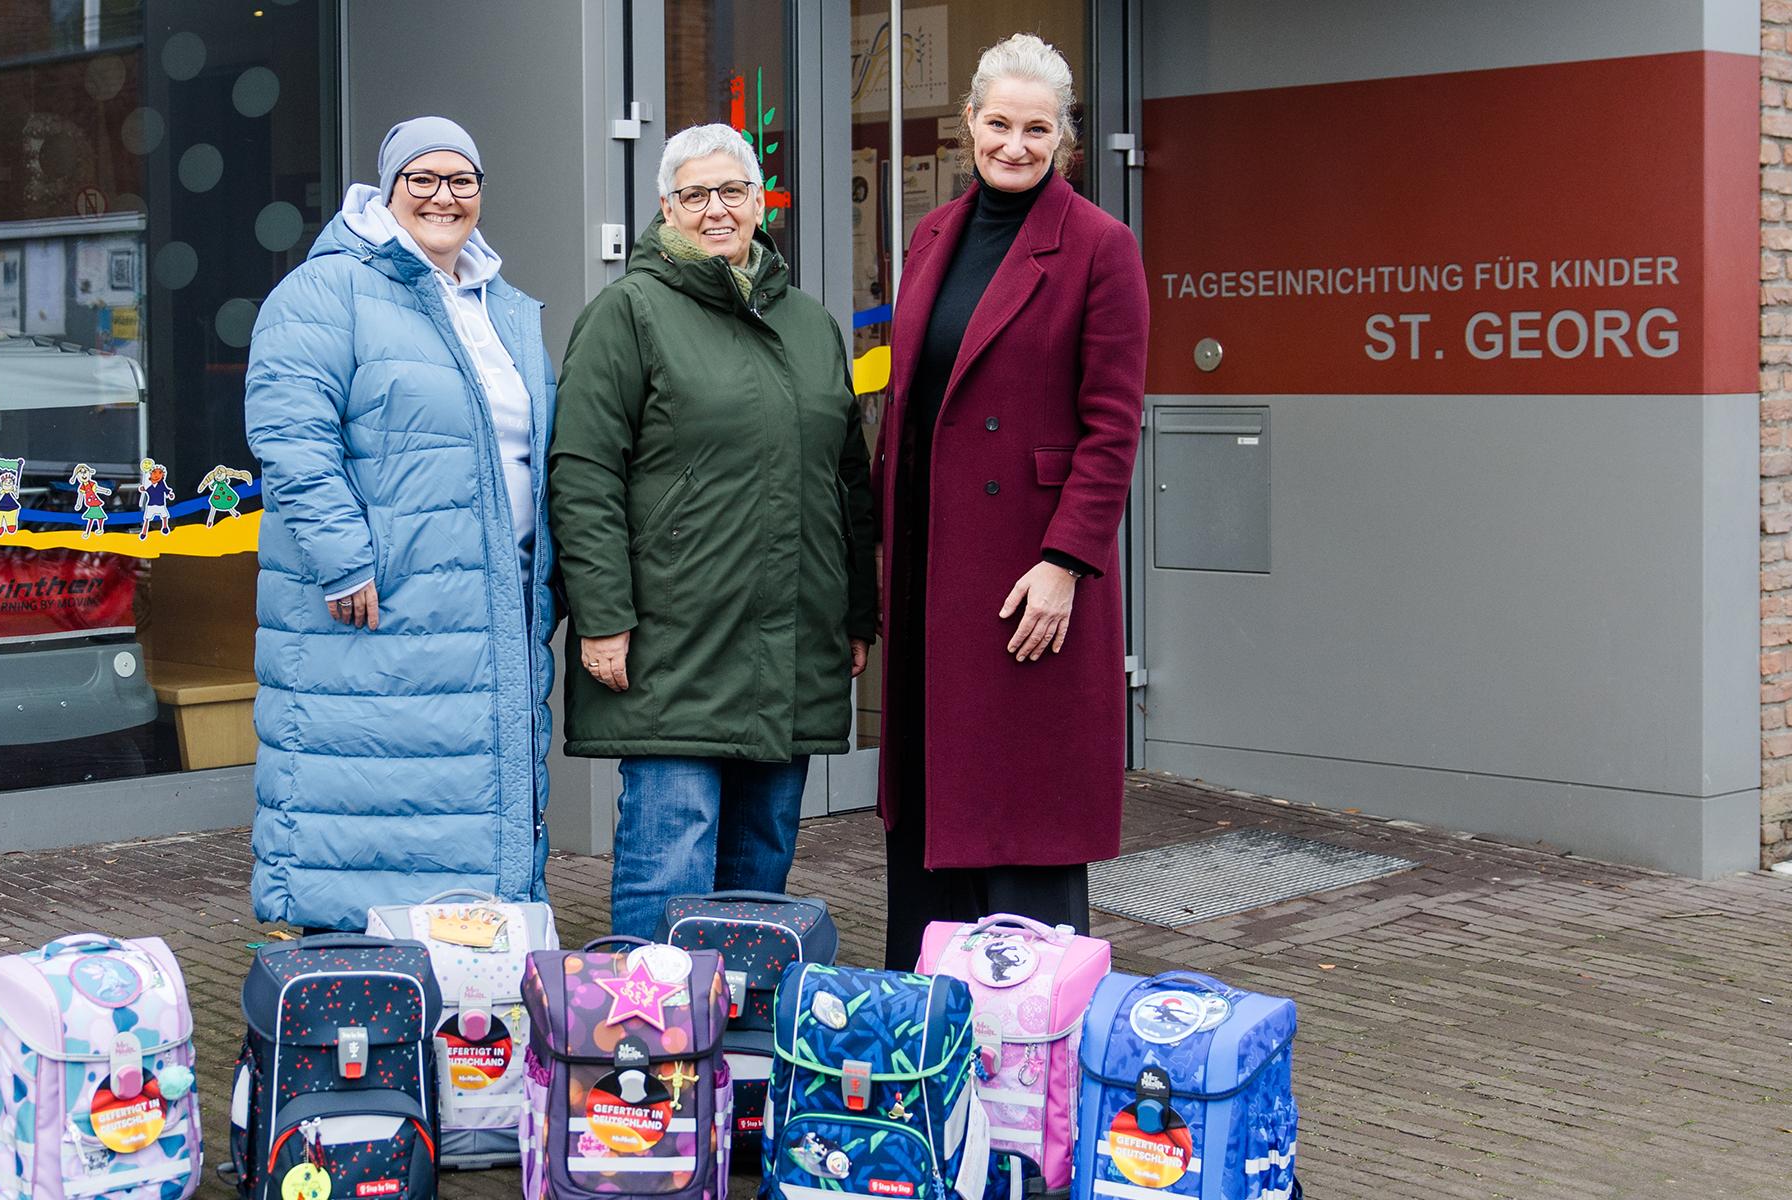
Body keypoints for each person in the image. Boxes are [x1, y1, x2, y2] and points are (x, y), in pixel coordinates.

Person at [551, 123, 879, 939]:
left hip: (790, 639)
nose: (716, 210)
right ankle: (646, 1049)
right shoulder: (627, 314)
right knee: (671, 863)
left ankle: (743, 1051)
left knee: (760, 870)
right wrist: (602, 617)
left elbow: (847, 480)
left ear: (760, 201)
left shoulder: (810, 324)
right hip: (673, 643)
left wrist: (857, 614)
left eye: (732, 191)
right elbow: (584, 473)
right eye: (694, 195)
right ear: (666, 208)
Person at [244, 116, 557, 933]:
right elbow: (289, 431)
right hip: (381, 598)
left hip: (490, 601)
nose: (442, 196)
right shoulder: (327, 291)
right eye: (421, 178)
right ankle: (359, 989)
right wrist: (345, 559)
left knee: (459, 793)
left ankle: (466, 996)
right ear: (387, 190)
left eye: (462, 180)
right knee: (372, 790)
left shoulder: (503, 307)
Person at [875, 35, 1148, 969]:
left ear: (1064, 139)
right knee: (929, 818)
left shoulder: (1101, 249)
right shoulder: (931, 236)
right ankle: (925, 1051)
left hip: (1030, 578)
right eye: (1000, 123)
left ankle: (1032, 1049)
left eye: (1038, 128)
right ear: (970, 126)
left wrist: (1067, 561)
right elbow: (913, 407)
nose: (1016, 145)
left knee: (1022, 826)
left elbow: (1113, 427)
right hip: (931, 569)